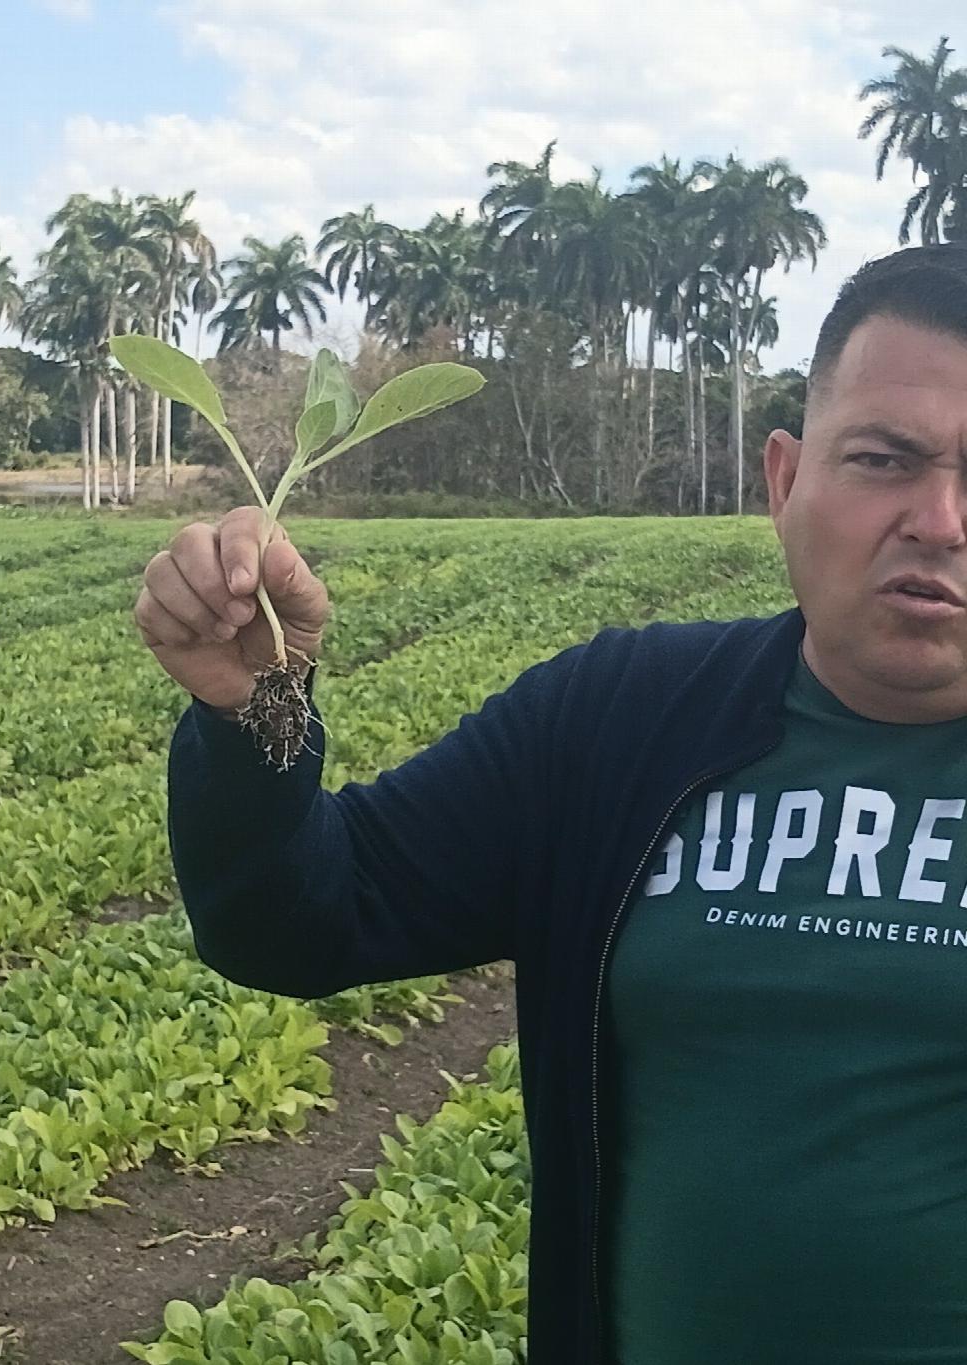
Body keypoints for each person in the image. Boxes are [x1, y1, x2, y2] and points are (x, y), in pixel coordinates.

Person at [138, 242, 967, 1364]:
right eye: (883, 459)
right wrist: (259, 706)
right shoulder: (619, 719)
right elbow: (296, 920)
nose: (939, 519)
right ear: (784, 482)